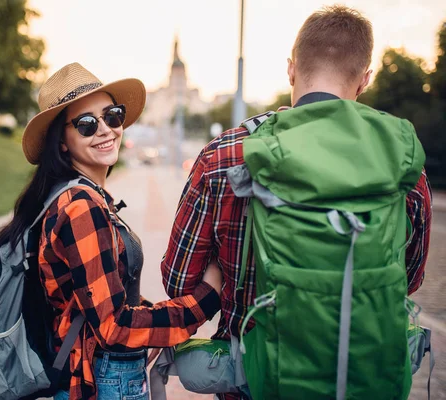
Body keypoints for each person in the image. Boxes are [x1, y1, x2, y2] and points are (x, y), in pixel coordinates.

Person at [161, 6, 432, 400]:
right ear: (366, 79)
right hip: (361, 378)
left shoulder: (225, 157)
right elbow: (410, 278)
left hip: (256, 378)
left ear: (291, 69)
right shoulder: (402, 164)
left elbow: (179, 282)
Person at [0, 62, 222, 400]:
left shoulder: (76, 196)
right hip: (102, 383)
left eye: (112, 116)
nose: (105, 130)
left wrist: (162, 327)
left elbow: (103, 298)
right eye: (87, 124)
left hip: (99, 377)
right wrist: (205, 299)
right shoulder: (81, 206)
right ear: (62, 143)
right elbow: (114, 326)